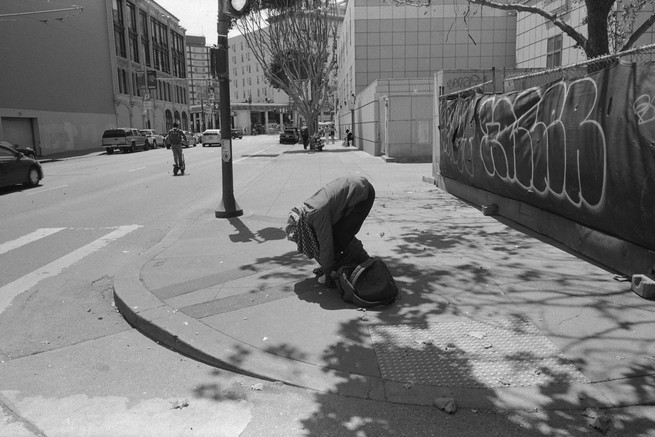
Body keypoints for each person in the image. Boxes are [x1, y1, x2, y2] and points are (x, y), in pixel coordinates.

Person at [285, 176, 375, 288]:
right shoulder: (306, 212)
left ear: (302, 229)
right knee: (336, 236)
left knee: (343, 237)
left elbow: (325, 245)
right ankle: (339, 264)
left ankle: (367, 262)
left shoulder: (316, 215)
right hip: (354, 186)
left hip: (363, 194)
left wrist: (327, 274)